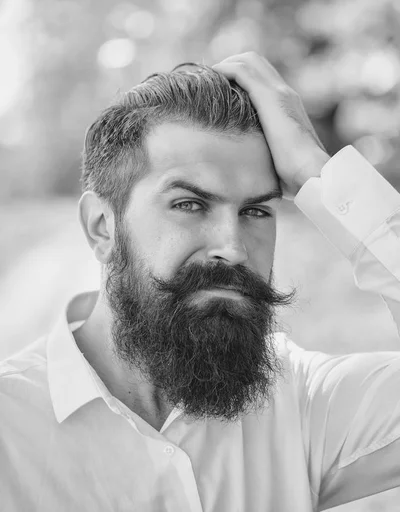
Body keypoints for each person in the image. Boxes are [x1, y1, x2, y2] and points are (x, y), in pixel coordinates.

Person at [1, 52, 400, 512]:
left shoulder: (308, 408)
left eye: (255, 211)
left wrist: (315, 169)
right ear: (101, 227)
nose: (233, 247)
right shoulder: (9, 431)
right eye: (189, 204)